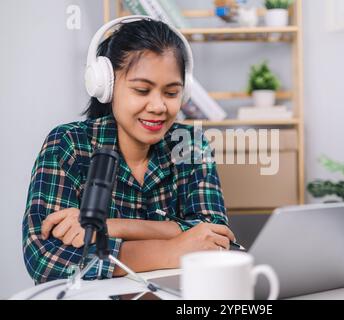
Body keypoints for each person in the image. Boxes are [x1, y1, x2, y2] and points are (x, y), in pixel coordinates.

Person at [22, 17, 235, 284]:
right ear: (106, 85)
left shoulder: (190, 144)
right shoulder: (69, 144)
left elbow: (214, 235)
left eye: (171, 93)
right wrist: (170, 250)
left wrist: (105, 226)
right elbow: (45, 258)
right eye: (142, 90)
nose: (158, 106)